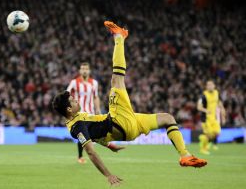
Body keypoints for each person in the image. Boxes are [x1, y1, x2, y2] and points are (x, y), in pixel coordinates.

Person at [52, 21, 207, 187]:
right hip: (118, 121)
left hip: (129, 126)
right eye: (73, 101)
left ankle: (185, 155)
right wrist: (108, 175)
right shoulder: (76, 126)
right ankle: (119, 37)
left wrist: (110, 146)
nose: (77, 100)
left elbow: (94, 136)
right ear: (69, 109)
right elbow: (90, 150)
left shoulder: (77, 123)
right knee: (116, 80)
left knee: (168, 118)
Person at [67, 62, 101, 164]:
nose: (84, 70)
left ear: (89, 70)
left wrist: (98, 109)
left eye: (86, 69)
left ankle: (85, 154)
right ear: (80, 71)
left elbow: (96, 97)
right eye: (82, 69)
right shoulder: (74, 82)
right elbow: (66, 94)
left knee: (88, 135)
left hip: (90, 113)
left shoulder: (94, 83)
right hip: (79, 114)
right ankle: (81, 156)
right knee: (81, 134)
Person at [197, 80, 226, 155]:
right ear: (206, 87)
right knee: (209, 134)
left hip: (214, 118)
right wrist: (206, 111)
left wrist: (223, 115)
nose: (210, 86)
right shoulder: (203, 95)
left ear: (214, 85)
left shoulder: (216, 93)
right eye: (208, 85)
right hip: (206, 118)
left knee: (217, 133)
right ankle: (203, 149)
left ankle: (202, 138)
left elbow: (219, 103)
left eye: (211, 85)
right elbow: (199, 107)